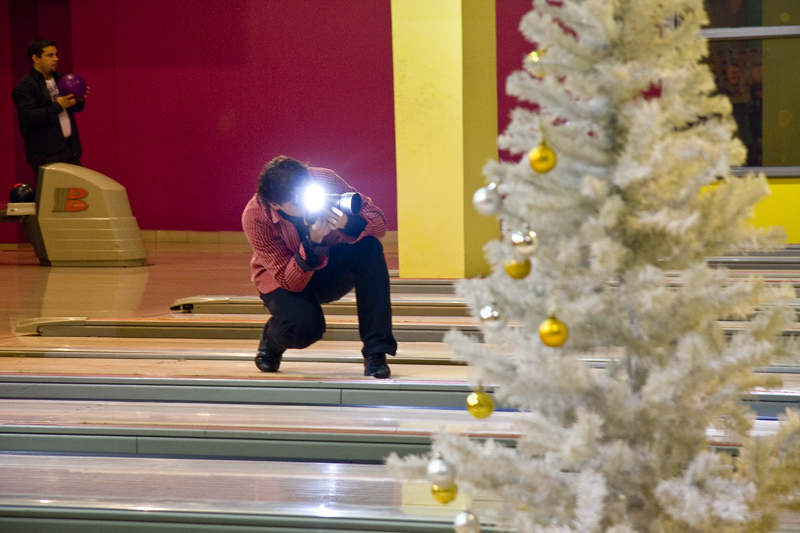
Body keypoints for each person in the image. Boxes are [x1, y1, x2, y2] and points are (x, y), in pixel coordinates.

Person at [242, 156, 397, 378]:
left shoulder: (324, 180)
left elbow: (379, 226)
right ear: (275, 204)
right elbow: (289, 282)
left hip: (329, 268)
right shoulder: (255, 216)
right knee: (304, 329)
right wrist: (313, 243)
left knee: (369, 247)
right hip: (282, 280)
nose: (306, 202)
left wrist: (347, 223)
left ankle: (376, 352)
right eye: (297, 201)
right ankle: (271, 339)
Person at [11, 38, 85, 179]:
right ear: (36, 58)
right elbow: (29, 116)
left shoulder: (60, 79)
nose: (56, 59)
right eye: (50, 55)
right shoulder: (26, 86)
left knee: (77, 190)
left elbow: (76, 108)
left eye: (56, 54)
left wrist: (79, 98)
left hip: (69, 149)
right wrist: (58, 106)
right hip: (45, 154)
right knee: (53, 192)